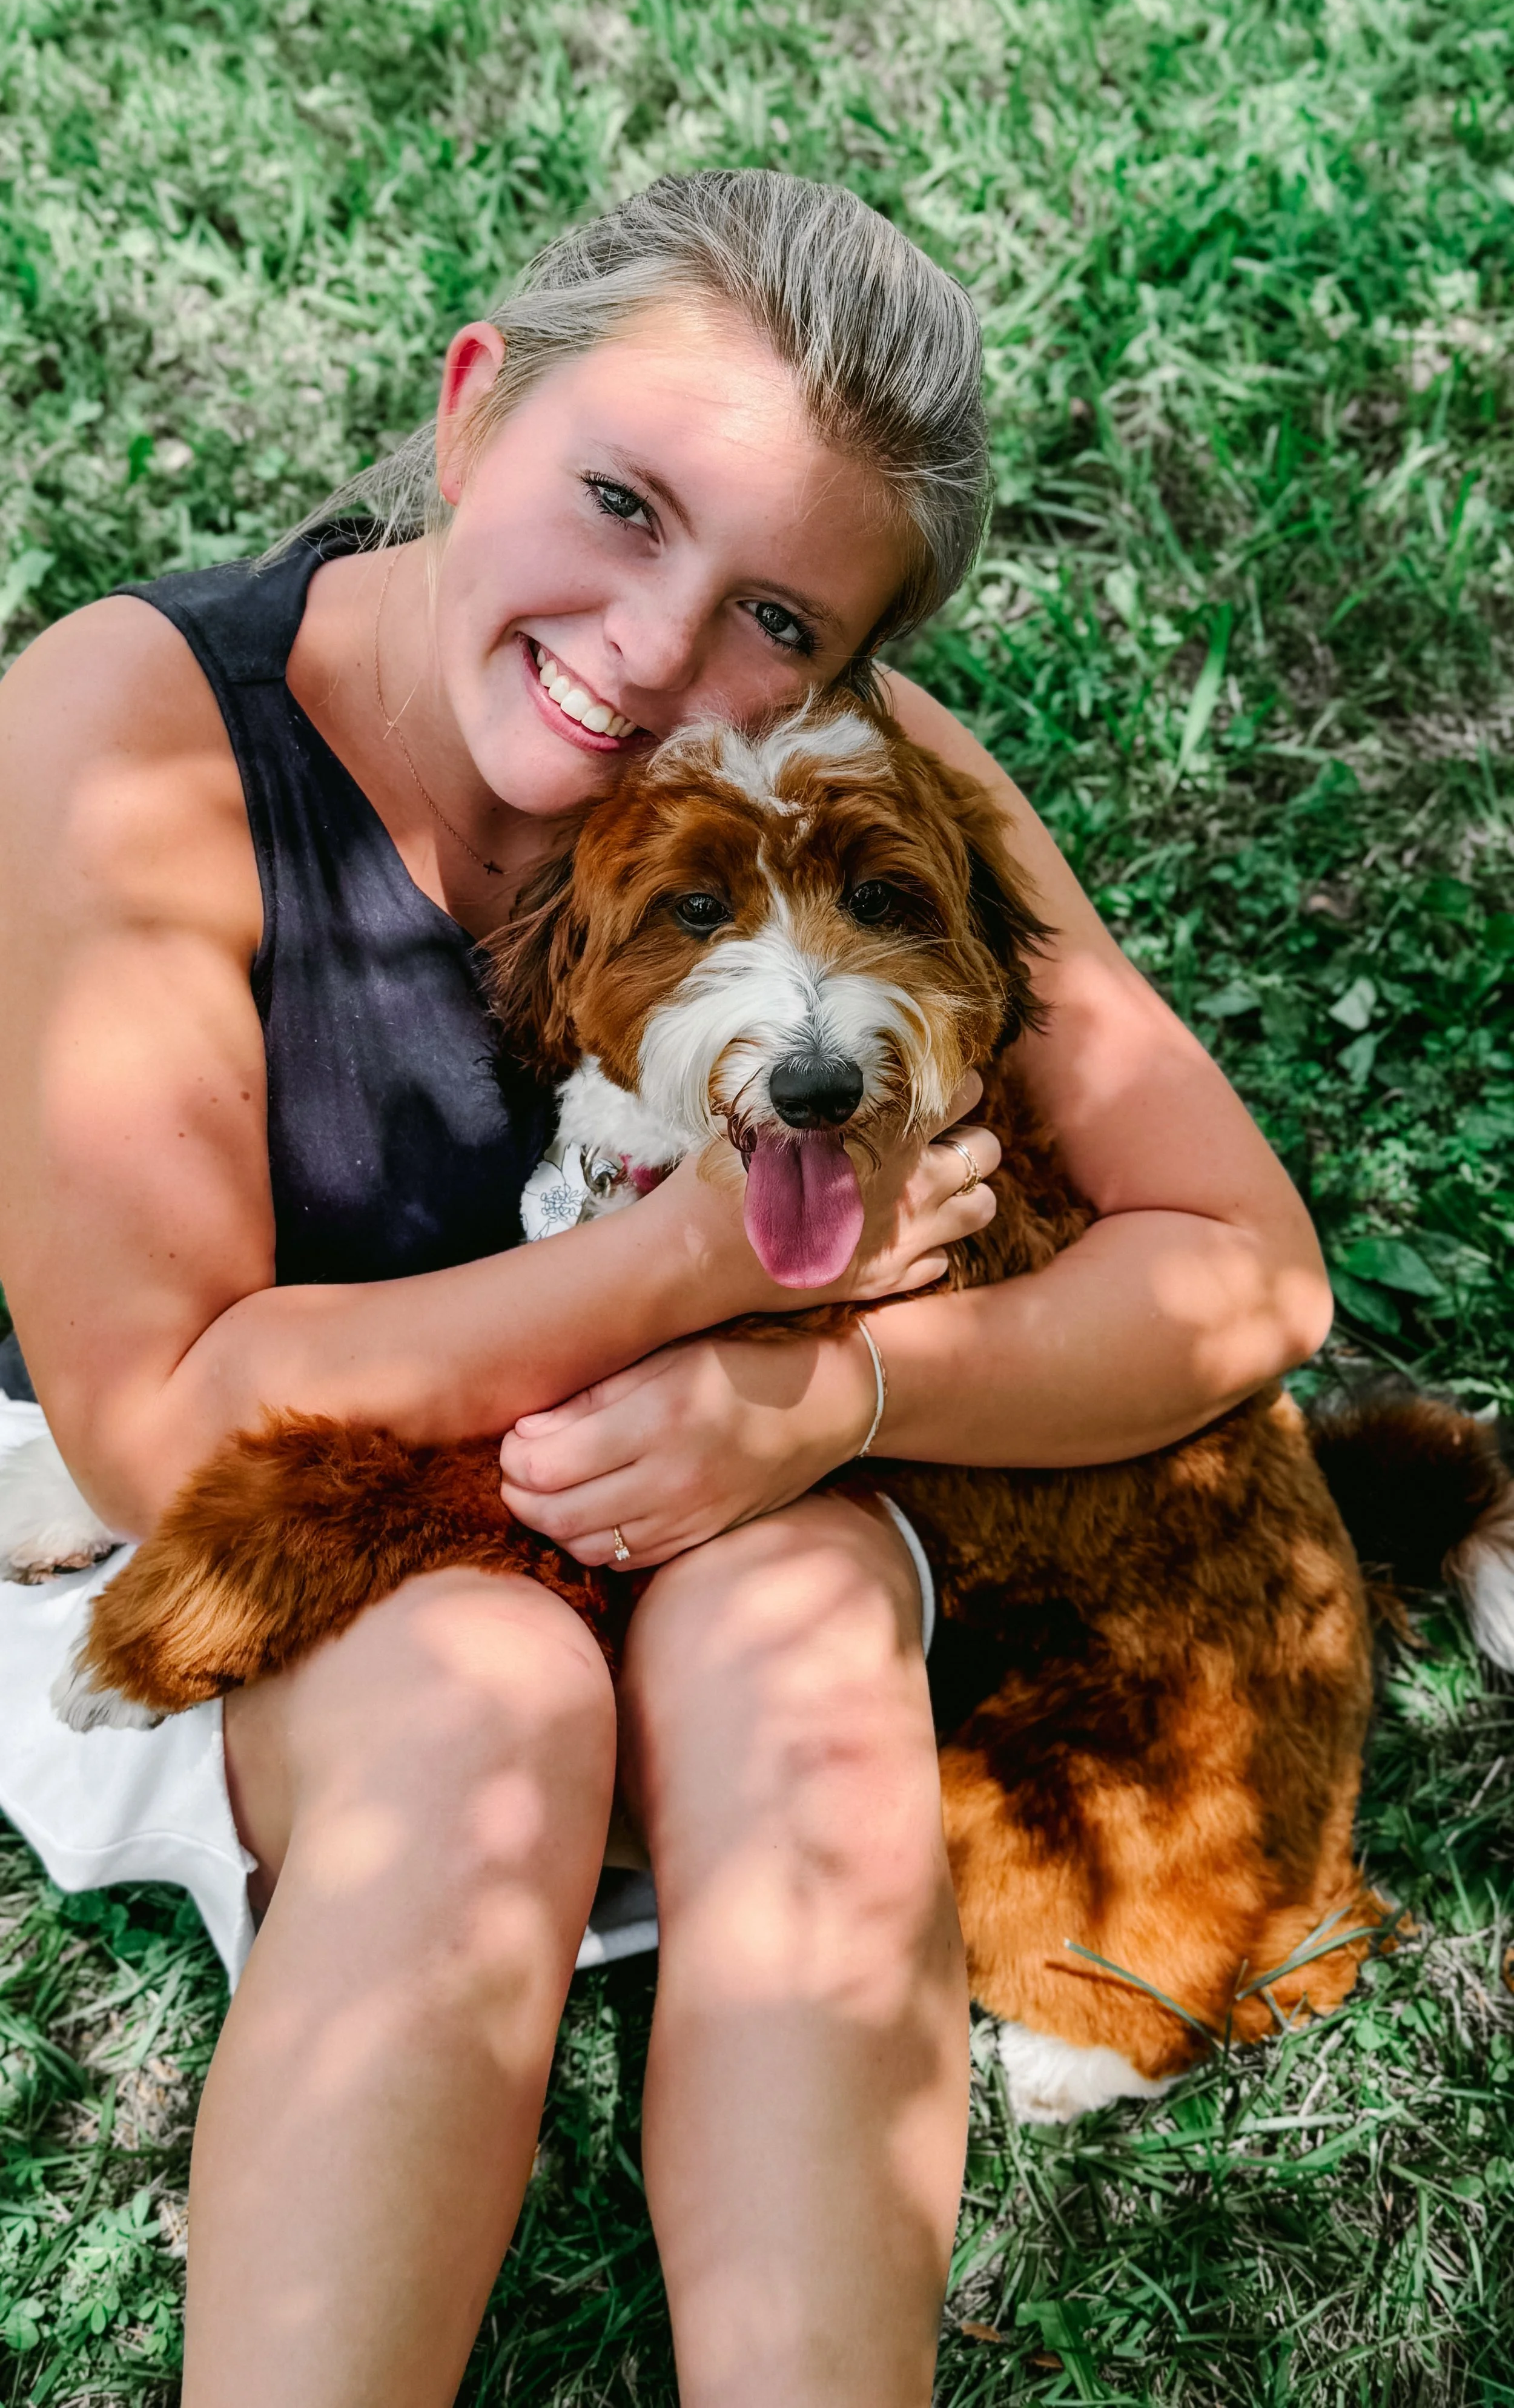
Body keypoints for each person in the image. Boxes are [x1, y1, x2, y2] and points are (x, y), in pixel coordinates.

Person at [0, 172, 1332, 2408]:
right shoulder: (126, 731)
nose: (649, 647)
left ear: (855, 670)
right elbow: (169, 1421)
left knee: (794, 1634)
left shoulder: (865, 794)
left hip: (715, 1477)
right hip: (241, 1522)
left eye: (778, 623)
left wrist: (840, 1397)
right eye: (617, 500)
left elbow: (1246, 1271)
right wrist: (695, 1257)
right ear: (468, 411)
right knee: (482, 1698)